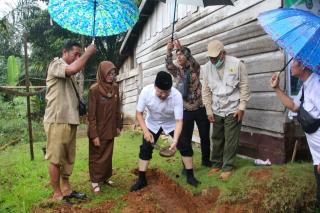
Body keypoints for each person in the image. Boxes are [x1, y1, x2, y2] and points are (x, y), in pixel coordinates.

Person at [43, 40, 96, 201]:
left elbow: (75, 72)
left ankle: (66, 189)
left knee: (67, 158)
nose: (77, 57)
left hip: (70, 119)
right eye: (75, 54)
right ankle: (57, 193)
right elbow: (72, 69)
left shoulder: (73, 74)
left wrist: (83, 56)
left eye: (80, 54)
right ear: (64, 52)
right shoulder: (56, 64)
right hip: (57, 119)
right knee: (55, 157)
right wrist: (88, 53)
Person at [130, 71, 200, 192]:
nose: (163, 95)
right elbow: (139, 114)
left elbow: (179, 120)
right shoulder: (146, 92)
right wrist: (146, 132)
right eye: (160, 92)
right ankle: (141, 180)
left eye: (166, 92)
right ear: (155, 86)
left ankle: (190, 176)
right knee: (145, 148)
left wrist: (176, 140)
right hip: (152, 123)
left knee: (185, 146)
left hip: (171, 122)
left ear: (170, 90)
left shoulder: (176, 95)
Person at [270, 59, 320, 212]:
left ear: (303, 65)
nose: (291, 66)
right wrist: (277, 88)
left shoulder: (317, 85)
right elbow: (293, 105)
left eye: (294, 63)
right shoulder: (306, 85)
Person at [202, 40, 250, 181]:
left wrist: (242, 107)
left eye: (215, 58)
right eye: (210, 58)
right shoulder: (206, 68)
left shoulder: (237, 64)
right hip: (216, 108)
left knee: (230, 139)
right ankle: (216, 164)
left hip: (233, 108)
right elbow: (205, 90)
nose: (213, 60)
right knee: (216, 138)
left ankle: (228, 167)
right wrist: (208, 110)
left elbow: (244, 86)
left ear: (223, 54)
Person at [166, 39, 211, 170]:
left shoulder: (195, 68)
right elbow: (169, 65)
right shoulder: (177, 72)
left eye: (181, 54)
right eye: (177, 55)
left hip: (200, 107)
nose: (178, 57)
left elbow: (191, 60)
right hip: (185, 109)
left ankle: (206, 160)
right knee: (185, 140)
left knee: (204, 136)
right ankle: (187, 165)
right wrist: (169, 51)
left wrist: (182, 48)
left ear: (187, 56)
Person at [87, 61, 121, 194]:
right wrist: (94, 134)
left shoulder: (115, 88)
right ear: (102, 73)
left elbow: (118, 108)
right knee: (97, 155)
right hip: (99, 130)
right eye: (108, 73)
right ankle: (95, 181)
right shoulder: (94, 90)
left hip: (110, 128)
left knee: (108, 154)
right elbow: (91, 115)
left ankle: (106, 177)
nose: (111, 76)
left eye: (113, 73)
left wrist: (118, 126)